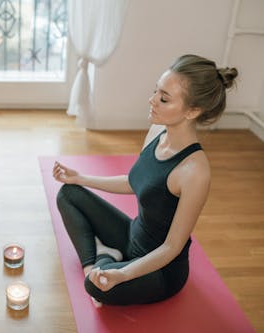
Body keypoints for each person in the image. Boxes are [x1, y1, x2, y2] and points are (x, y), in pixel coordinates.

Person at [53, 54, 238, 306]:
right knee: (68, 193)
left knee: (94, 286)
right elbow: (134, 182)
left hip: (161, 270)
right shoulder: (156, 131)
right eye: (155, 91)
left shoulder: (195, 171)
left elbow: (172, 247)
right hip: (132, 234)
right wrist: (80, 178)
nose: (152, 100)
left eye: (164, 98)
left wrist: (122, 273)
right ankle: (97, 265)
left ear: (193, 111)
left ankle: (104, 264)